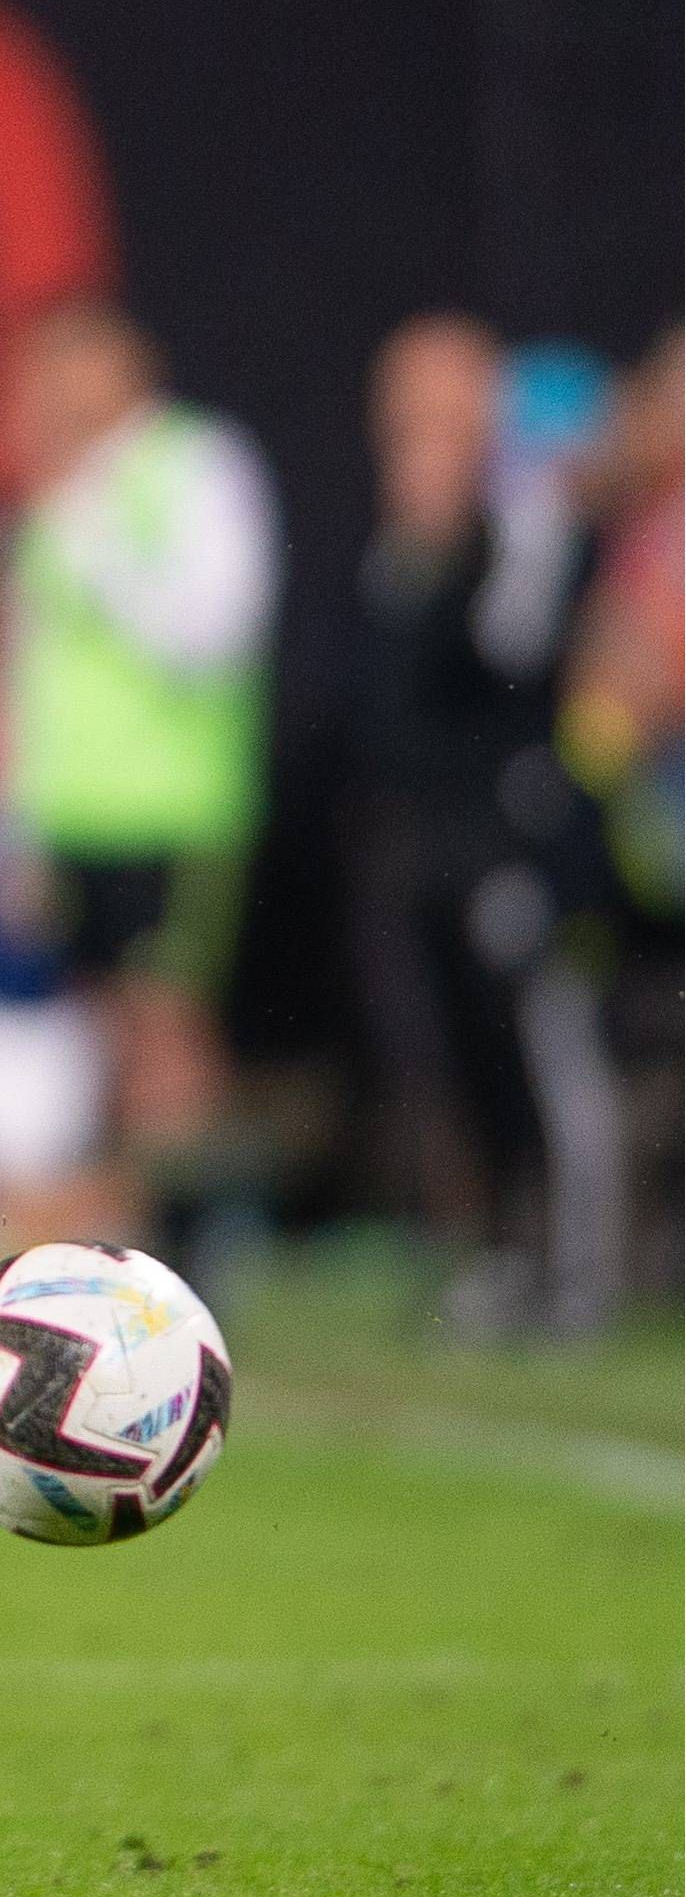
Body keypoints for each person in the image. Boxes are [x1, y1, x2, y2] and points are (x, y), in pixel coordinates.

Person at [0, 298, 278, 1271]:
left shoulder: (195, 467)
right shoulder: (54, 494)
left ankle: (202, 1250)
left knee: (167, 1022)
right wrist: (12, 821)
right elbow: (26, 669)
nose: (57, 390)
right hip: (75, 811)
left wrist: (99, 543)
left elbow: (212, 630)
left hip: (173, 803)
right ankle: (133, 1251)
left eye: (77, 364)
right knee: (105, 1030)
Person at [346, 314, 622, 1336]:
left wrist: (458, 540)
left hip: (517, 835)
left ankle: (581, 1268)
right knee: (460, 1053)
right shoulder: (401, 539)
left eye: (435, 405)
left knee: (541, 1046)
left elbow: (514, 662)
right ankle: (501, 1253)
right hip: (428, 846)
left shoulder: (522, 516)